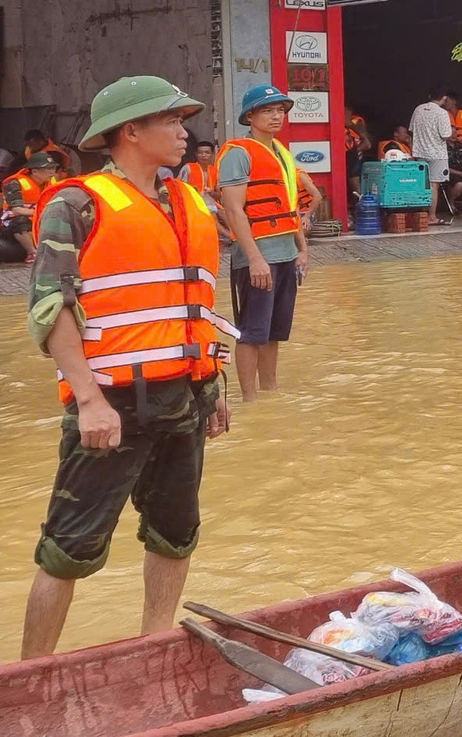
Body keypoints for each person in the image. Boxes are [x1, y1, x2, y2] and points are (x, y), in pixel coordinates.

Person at [19, 76, 232, 659]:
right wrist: (87, 399)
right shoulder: (76, 203)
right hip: (111, 403)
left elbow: (199, 302)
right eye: (171, 121)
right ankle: (30, 679)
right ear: (130, 131)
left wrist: (215, 381)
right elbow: (50, 306)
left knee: (175, 534)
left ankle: (155, 648)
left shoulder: (192, 201)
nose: (185, 133)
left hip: (185, 397)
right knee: (68, 549)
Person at [217, 84, 311, 404]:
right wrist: (255, 259)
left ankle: (270, 393)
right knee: (253, 331)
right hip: (257, 254)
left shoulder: (281, 154)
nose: (276, 116)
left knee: (275, 332)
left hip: (285, 251)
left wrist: (302, 250)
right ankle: (249, 400)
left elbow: (290, 206)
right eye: (267, 110)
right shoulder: (238, 153)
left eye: (280, 110)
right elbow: (233, 209)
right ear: (250, 116)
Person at [2, 151, 60, 262]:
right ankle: (32, 253)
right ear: (34, 171)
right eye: (48, 169)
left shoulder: (51, 183)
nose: (52, 172)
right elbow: (17, 210)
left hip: (39, 221)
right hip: (12, 224)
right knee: (21, 222)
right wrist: (42, 212)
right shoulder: (14, 183)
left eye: (53, 168)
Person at [410, 87, 455, 224]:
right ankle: (431, 216)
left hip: (420, 152)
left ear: (430, 95)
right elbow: (446, 135)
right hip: (437, 154)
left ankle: (419, 214)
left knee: (420, 185)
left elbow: (411, 130)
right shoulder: (442, 113)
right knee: (433, 185)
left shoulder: (418, 109)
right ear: (444, 98)